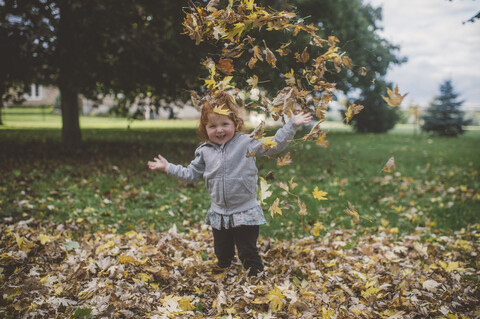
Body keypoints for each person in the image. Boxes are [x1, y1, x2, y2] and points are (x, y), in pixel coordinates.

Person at [147, 91, 312, 276]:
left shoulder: (246, 143)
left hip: (245, 211)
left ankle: (256, 278)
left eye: (225, 124)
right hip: (220, 212)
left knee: (247, 250)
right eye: (212, 126)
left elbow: (274, 144)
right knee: (222, 250)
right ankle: (224, 272)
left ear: (235, 123)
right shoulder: (204, 151)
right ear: (204, 127)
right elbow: (190, 173)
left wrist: (292, 125)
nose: (219, 130)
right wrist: (168, 167)